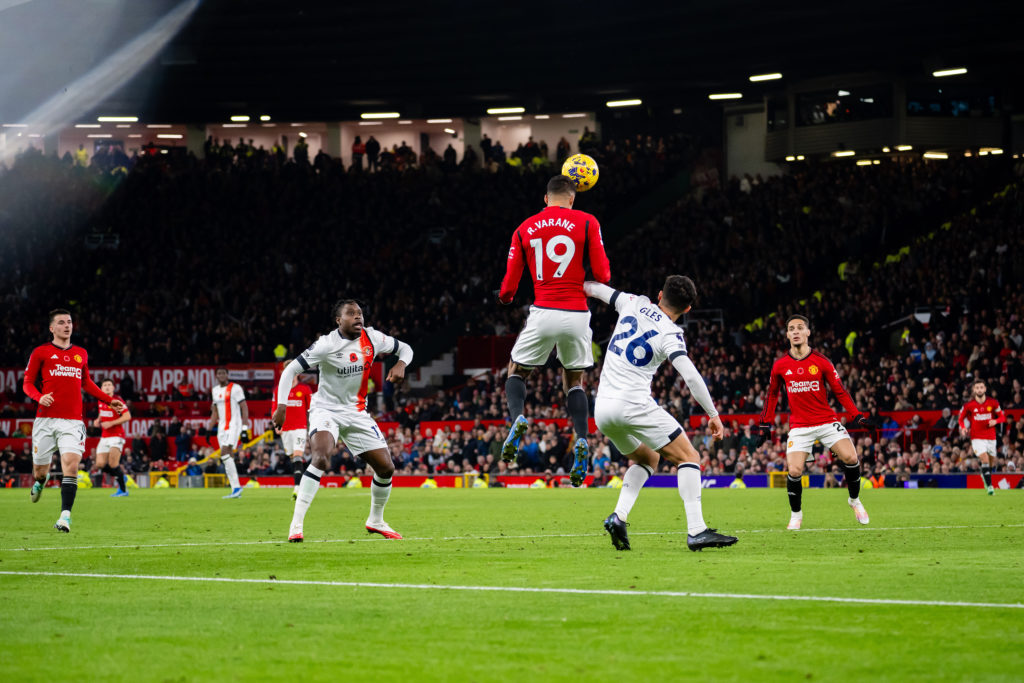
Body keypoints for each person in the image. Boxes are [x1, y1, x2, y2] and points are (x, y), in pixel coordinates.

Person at [585, 276, 738, 552]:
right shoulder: (671, 333)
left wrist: (560, 289)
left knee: (649, 458)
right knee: (689, 456)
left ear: (659, 294)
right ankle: (697, 530)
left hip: (602, 410)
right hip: (632, 404)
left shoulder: (633, 302)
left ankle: (618, 517)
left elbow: (594, 288)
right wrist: (713, 413)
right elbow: (690, 375)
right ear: (688, 309)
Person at [498, 174, 611, 487]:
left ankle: (519, 416)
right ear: (573, 198)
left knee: (516, 372)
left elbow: (509, 286)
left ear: (545, 199)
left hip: (543, 310)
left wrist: (505, 297)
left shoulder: (524, 228)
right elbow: (603, 273)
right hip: (576, 313)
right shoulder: (588, 222)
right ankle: (582, 438)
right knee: (574, 381)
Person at [273, 299, 413, 542]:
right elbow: (290, 370)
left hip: (356, 412)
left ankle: (376, 520)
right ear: (339, 320)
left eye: (360, 313)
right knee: (321, 458)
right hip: (326, 409)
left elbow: (406, 349)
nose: (358, 317)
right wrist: (282, 406)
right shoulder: (326, 344)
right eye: (351, 313)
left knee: (386, 468)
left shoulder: (373, 338)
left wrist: (401, 363)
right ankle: (296, 524)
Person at [754, 315, 872, 530]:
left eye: (800, 328)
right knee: (795, 471)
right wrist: (765, 424)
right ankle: (796, 515)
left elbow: (841, 392)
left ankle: (854, 500)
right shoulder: (780, 366)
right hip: (800, 426)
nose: (796, 331)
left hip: (826, 421)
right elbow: (772, 395)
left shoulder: (822, 361)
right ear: (788, 334)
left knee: (851, 457)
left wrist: (858, 415)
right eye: (792, 328)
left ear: (808, 332)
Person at [22, 309, 125, 531]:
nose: (67, 326)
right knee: (39, 472)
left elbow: (86, 382)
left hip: (73, 422)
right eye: (61, 322)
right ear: (52, 328)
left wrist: (109, 400)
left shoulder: (81, 353)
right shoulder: (41, 352)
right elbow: (27, 383)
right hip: (46, 420)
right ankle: (41, 481)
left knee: (71, 465)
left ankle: (65, 516)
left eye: (69, 322)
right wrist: (40, 397)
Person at [958, 378, 1006, 495]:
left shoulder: (993, 402)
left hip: (991, 437)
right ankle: (990, 487)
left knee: (991, 462)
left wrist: (995, 421)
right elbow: (960, 419)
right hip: (977, 437)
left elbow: (1002, 417)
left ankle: (984, 475)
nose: (979, 389)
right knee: (984, 458)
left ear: (984, 389)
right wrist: (964, 428)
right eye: (977, 388)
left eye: (981, 387)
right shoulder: (968, 405)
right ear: (974, 390)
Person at [209, 367, 249, 499]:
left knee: (225, 453)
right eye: (218, 373)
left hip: (234, 424)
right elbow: (214, 411)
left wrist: (244, 428)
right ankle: (235, 489)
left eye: (223, 373)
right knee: (228, 457)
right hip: (221, 427)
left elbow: (244, 407)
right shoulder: (214, 391)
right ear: (216, 376)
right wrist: (209, 429)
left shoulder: (235, 388)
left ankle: (237, 488)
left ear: (227, 375)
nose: (221, 375)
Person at [273, 373, 313, 500]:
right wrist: (275, 424)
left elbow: (311, 408)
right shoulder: (279, 389)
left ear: (297, 373)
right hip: (285, 429)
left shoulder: (305, 389)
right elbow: (274, 408)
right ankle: (304, 480)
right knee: (292, 457)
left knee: (297, 456)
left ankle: (297, 487)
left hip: (300, 428)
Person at [93, 378, 131, 497]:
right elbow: (102, 412)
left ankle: (123, 490)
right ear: (101, 388)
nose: (107, 387)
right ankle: (121, 476)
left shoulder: (117, 401)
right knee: (99, 464)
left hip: (116, 436)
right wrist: (98, 420)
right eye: (105, 385)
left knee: (113, 464)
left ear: (113, 388)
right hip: (104, 436)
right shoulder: (100, 400)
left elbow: (127, 416)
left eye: (110, 385)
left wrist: (111, 423)